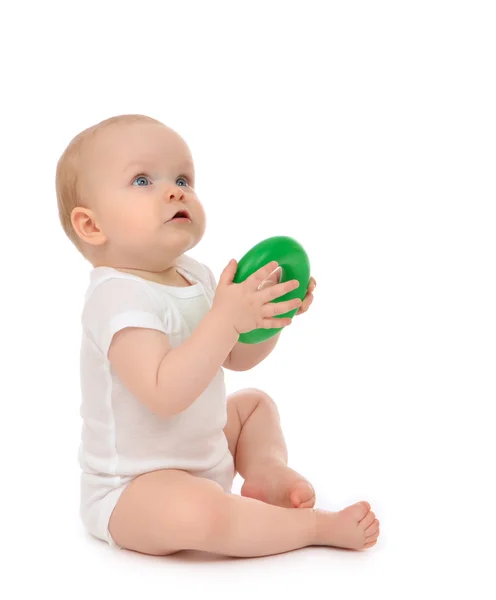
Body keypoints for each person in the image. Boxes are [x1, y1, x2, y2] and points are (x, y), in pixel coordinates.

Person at [55, 114, 380, 557]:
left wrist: (267, 320)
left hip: (204, 460)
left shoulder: (196, 275)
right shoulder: (116, 298)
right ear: (92, 226)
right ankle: (312, 528)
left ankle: (263, 470)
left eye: (183, 178)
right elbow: (164, 394)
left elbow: (236, 358)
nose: (175, 190)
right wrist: (225, 319)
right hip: (133, 490)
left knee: (254, 406)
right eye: (143, 179)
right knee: (199, 515)